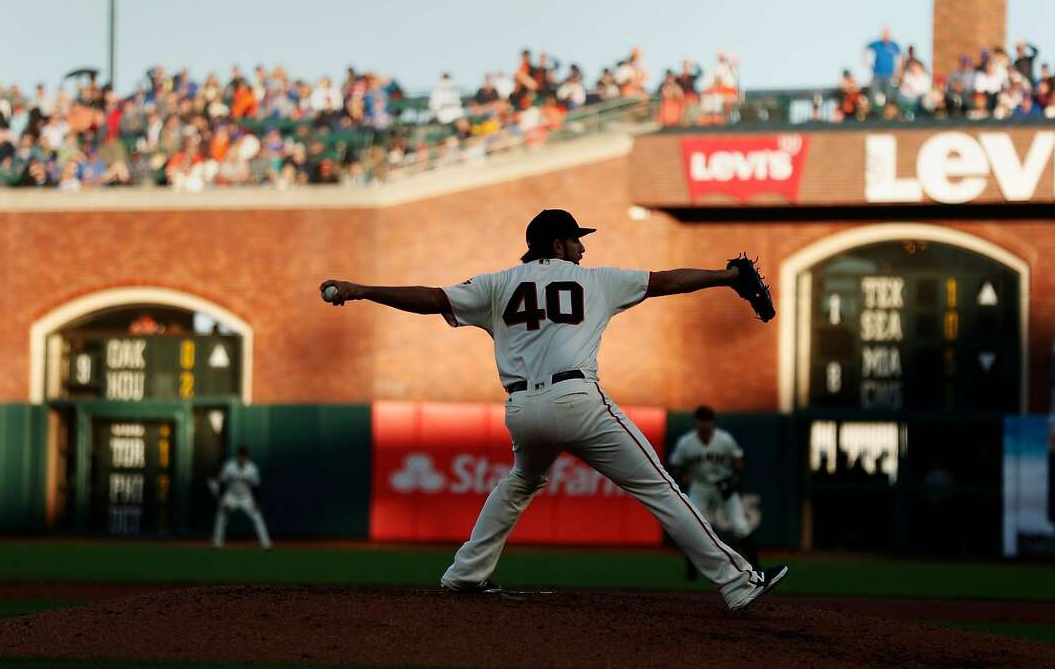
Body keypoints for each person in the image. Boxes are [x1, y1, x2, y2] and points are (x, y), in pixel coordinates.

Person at [319, 209, 788, 611]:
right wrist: (727, 277)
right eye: (576, 241)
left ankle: (465, 574)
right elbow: (667, 282)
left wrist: (363, 289)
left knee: (521, 481)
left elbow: (431, 298)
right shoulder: (595, 280)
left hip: (522, 409)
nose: (582, 250)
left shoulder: (498, 283)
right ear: (558, 244)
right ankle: (739, 582)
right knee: (660, 489)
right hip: (577, 400)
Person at [669, 406, 760, 581]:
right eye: (701, 420)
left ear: (712, 422)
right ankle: (691, 570)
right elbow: (675, 465)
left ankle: (757, 567)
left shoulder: (724, 439)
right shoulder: (686, 442)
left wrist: (735, 479)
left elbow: (738, 460)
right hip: (700, 486)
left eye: (707, 420)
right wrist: (683, 476)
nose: (704, 424)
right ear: (696, 422)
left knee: (741, 526)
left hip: (723, 485)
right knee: (692, 527)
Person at [210, 446, 273, 550]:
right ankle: (217, 544)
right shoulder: (229, 466)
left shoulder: (252, 468)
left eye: (244, 457)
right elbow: (222, 482)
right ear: (237, 456)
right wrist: (222, 499)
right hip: (231, 496)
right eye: (240, 456)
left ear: (247, 458)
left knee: (257, 518)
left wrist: (256, 501)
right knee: (221, 516)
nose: (242, 459)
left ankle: (266, 544)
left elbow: (256, 486)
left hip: (246, 497)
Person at [865, 28, 902, 102]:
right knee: (874, 93)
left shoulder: (894, 45)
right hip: (877, 73)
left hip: (890, 74)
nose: (886, 36)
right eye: (884, 34)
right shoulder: (876, 44)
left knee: (889, 93)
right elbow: (866, 49)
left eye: (887, 34)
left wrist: (898, 70)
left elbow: (900, 57)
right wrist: (867, 63)